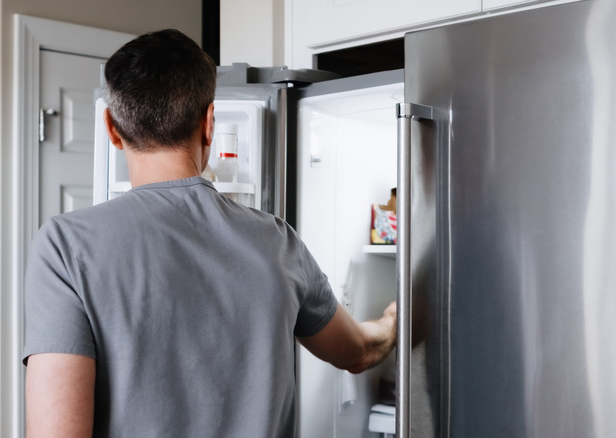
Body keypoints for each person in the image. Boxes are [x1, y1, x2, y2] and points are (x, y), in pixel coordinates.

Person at [22, 28, 397, 438]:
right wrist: (395, 320)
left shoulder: (65, 247)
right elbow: (357, 351)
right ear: (209, 124)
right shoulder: (276, 241)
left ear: (111, 128)